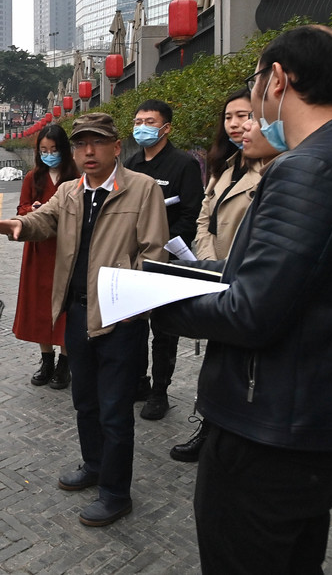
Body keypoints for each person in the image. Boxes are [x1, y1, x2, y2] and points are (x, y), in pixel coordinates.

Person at [152, 25, 332, 573]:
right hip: (311, 416)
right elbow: (281, 278)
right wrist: (188, 273)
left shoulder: (310, 168)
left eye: (255, 82)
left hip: (274, 423)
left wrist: (152, 303)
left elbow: (252, 311)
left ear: (276, 80)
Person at [0, 112, 167, 527]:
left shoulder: (142, 189)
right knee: (85, 400)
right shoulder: (69, 191)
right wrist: (18, 225)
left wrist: (132, 304)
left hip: (119, 315)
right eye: (81, 143)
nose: (88, 151)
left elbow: (154, 251)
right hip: (78, 311)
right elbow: (43, 219)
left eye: (97, 142)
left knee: (115, 409)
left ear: (116, 147)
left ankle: (116, 493)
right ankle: (94, 465)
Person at [169, 89, 277, 462]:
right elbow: (205, 217)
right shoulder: (226, 165)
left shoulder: (274, 169)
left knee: (242, 364)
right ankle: (210, 428)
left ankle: (230, 433)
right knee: (217, 361)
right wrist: (207, 260)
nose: (235, 124)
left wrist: (227, 268)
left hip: (247, 277)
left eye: (244, 116)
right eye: (228, 117)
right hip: (215, 270)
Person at [123, 99, 204, 421]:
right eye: (138, 121)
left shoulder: (183, 164)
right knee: (134, 325)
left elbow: (191, 214)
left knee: (164, 329)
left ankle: (160, 391)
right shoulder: (131, 164)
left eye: (150, 122)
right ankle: (139, 382)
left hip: (168, 259)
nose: (142, 127)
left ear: (166, 128)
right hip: (136, 259)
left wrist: (165, 248)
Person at [14, 125, 79, 389]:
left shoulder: (76, 176)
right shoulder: (34, 177)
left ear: (64, 149)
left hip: (67, 248)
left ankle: (65, 363)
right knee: (39, 304)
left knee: (66, 305)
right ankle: (46, 359)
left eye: (53, 149)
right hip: (39, 249)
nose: (49, 154)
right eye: (44, 150)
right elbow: (22, 207)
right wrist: (33, 209)